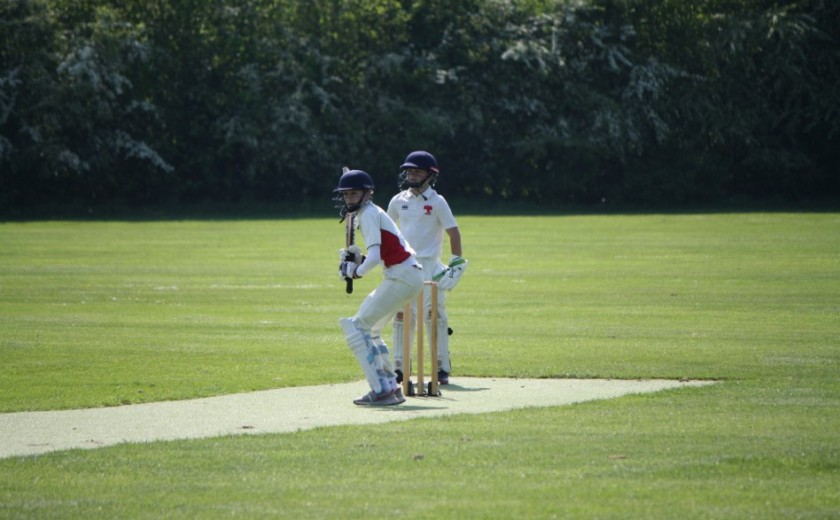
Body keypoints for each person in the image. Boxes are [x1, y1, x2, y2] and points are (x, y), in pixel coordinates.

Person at [335, 169, 425, 406]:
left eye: (354, 194)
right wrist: (358, 260)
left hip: (402, 276)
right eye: (345, 195)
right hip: (407, 274)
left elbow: (375, 256)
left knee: (357, 326)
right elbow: (381, 253)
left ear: (367, 194)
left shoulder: (367, 215)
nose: (349, 199)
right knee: (372, 328)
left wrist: (356, 271)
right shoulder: (373, 212)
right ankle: (390, 387)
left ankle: (381, 390)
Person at [387, 151, 467, 385]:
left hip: (431, 267)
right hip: (404, 266)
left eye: (417, 171)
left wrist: (456, 263)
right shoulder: (397, 200)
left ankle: (441, 367)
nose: (411, 175)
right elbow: (387, 232)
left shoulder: (437, 201)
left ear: (430, 175)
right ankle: (400, 368)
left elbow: (454, 233)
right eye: (409, 171)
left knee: (435, 318)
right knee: (402, 318)